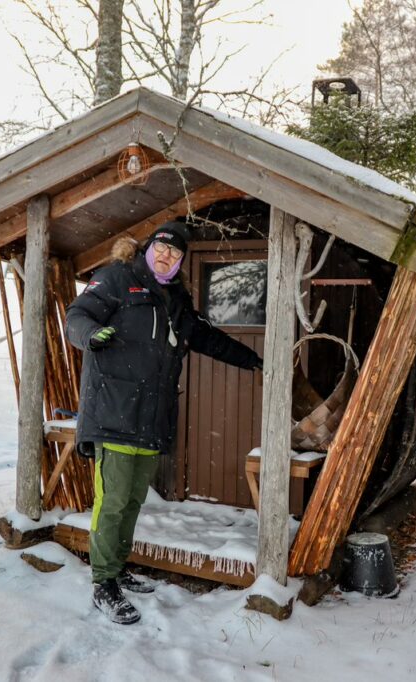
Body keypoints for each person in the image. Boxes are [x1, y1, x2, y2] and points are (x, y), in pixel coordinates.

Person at [65, 221, 262, 624]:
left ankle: (117, 569)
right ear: (148, 248)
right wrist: (92, 335)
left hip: (151, 419)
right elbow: (77, 315)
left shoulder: (176, 299)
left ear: (180, 261)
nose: (166, 255)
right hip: (113, 412)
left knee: (133, 502)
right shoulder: (118, 278)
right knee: (113, 502)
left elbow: (207, 338)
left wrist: (253, 359)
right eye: (161, 248)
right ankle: (103, 583)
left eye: (175, 253)